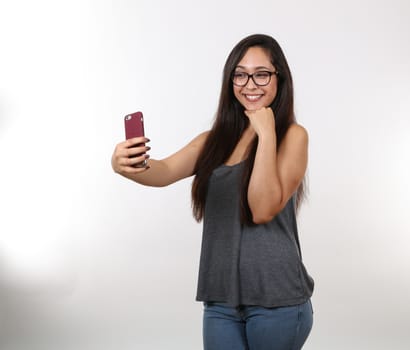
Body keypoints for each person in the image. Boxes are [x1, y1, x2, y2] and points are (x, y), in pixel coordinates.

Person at [111, 33, 314, 350]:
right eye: (240, 74)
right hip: (221, 300)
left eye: (261, 74)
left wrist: (266, 132)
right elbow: (163, 172)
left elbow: (262, 208)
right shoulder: (214, 140)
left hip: (277, 300)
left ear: (279, 79)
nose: (250, 84)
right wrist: (125, 164)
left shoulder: (293, 137)